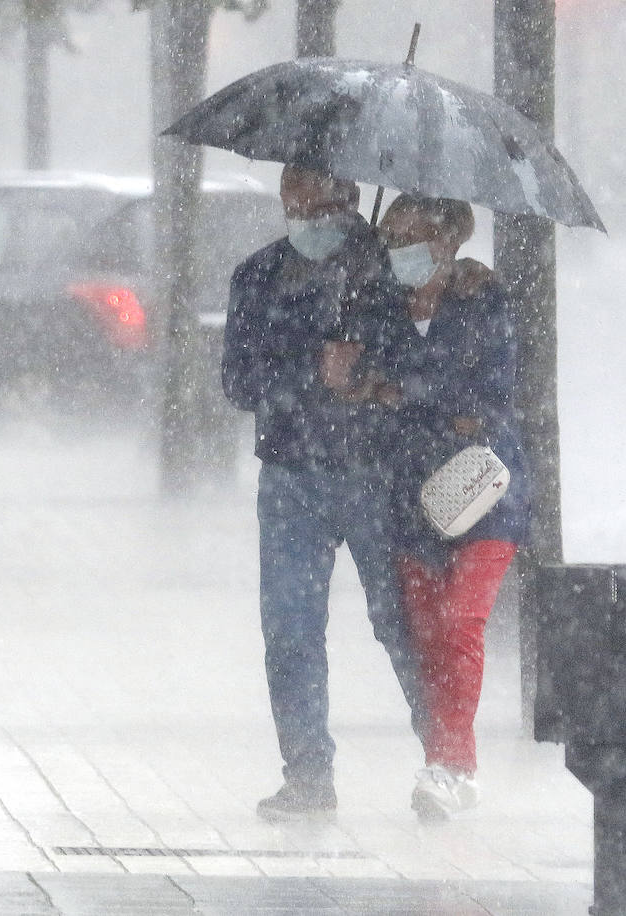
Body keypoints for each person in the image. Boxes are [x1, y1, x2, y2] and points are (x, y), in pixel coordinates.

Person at [222, 164, 427, 823]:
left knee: (399, 621)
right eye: (294, 205)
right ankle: (307, 776)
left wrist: (366, 373)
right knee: (290, 627)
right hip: (291, 476)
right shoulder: (259, 275)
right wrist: (310, 369)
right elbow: (239, 382)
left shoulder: (391, 273)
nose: (305, 219)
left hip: (377, 472)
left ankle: (444, 756)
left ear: (347, 200)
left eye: (317, 205)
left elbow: (425, 371)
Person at [339, 193, 529, 820]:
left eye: (408, 238)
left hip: (483, 491)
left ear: (446, 240)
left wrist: (402, 391)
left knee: (460, 622)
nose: (397, 251)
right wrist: (396, 392)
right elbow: (372, 385)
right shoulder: (377, 304)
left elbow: (488, 396)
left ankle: (448, 764)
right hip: (409, 496)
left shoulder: (484, 300)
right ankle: (452, 761)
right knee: (423, 636)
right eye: (389, 238)